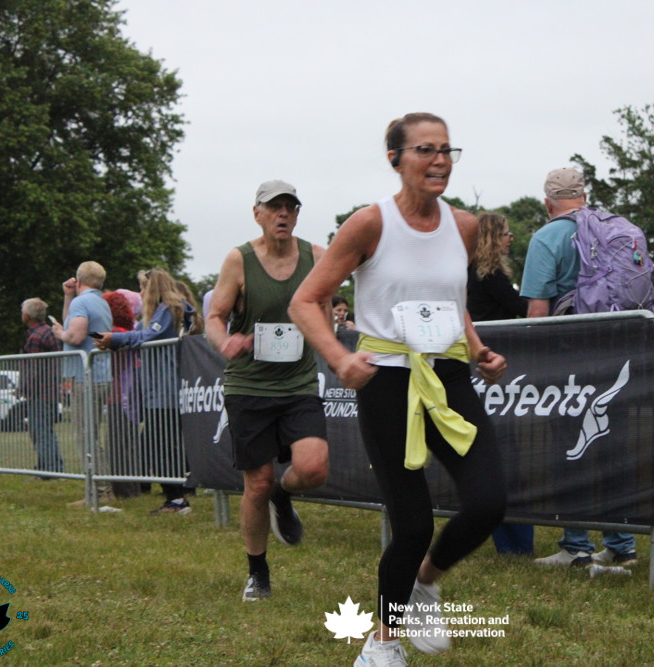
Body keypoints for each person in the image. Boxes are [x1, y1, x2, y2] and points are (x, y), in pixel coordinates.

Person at [289, 113, 507, 665]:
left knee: (488, 502)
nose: (439, 161)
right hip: (386, 378)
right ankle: (382, 644)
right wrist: (340, 358)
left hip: (448, 376)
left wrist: (478, 350)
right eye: (425, 150)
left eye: (446, 150)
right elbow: (306, 300)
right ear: (395, 159)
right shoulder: (370, 224)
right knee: (411, 524)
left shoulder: (464, 226)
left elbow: (452, 305)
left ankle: (424, 584)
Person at [205, 179, 330, 604]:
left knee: (313, 468)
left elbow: (325, 307)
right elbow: (215, 317)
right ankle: (257, 573)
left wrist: (330, 344)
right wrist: (225, 342)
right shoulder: (239, 260)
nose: (283, 214)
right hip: (250, 385)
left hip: (299, 382)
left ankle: (285, 493)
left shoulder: (316, 257)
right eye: (274, 207)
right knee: (256, 483)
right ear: (257, 213)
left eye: (290, 207)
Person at [522, 167, 638, 570]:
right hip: (616, 354)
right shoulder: (614, 229)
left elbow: (538, 312)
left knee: (570, 448)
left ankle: (576, 545)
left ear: (547, 203)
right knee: (611, 447)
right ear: (584, 198)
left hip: (568, 360)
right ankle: (621, 543)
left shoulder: (547, 238)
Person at [94, 268, 194, 514]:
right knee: (157, 446)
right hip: (158, 390)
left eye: (142, 286)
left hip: (165, 391)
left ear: (153, 287)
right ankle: (175, 497)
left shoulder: (168, 310)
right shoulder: (167, 310)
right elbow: (142, 334)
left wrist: (115, 339)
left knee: (161, 447)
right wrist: (114, 341)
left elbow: (149, 335)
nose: (140, 292)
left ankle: (177, 499)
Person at [466, 212, 531, 555]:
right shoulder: (489, 275)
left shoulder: (468, 273)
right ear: (492, 237)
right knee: (508, 457)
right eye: (505, 233)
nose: (511, 238)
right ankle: (515, 542)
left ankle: (507, 541)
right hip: (495, 372)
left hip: (481, 371)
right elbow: (521, 307)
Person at [52, 261, 114, 504]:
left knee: (85, 436)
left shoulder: (82, 302)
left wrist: (60, 334)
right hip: (101, 375)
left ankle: (100, 492)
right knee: (91, 434)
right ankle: (101, 488)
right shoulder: (99, 302)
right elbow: (74, 323)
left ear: (79, 280)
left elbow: (75, 335)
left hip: (85, 377)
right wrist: (68, 296)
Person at [102, 290, 142, 499]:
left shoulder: (114, 333)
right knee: (128, 443)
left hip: (118, 395)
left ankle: (123, 490)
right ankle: (132, 488)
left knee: (117, 444)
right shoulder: (126, 331)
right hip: (128, 394)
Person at [20, 298, 65, 474]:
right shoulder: (49, 331)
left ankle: (50, 469)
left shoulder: (35, 337)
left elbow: (33, 369)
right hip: (52, 390)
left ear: (27, 315)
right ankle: (49, 466)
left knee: (40, 432)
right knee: (46, 431)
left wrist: (23, 388)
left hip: (39, 392)